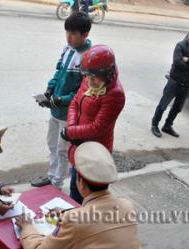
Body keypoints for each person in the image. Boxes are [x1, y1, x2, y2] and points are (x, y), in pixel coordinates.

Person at [16, 142, 140, 249]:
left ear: (81, 182)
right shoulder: (127, 205)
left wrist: (27, 228)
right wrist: (67, 215)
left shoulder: (74, 220)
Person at [31, 12, 92, 190]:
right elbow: (58, 73)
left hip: (69, 114)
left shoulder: (88, 58)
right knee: (52, 144)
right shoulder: (67, 49)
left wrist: (59, 100)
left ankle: (56, 184)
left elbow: (82, 92)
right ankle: (51, 176)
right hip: (55, 110)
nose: (69, 37)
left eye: (73, 33)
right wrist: (50, 90)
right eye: (67, 32)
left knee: (63, 149)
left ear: (85, 34)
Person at [61, 44, 125, 204]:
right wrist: (71, 128)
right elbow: (75, 102)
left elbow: (99, 127)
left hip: (95, 152)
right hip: (79, 144)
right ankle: (74, 222)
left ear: (108, 74)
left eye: (94, 77)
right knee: (75, 187)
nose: (89, 81)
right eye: (87, 76)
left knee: (90, 198)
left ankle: (83, 225)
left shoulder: (115, 94)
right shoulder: (90, 76)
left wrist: (71, 133)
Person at [151, 26, 189, 138]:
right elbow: (177, 62)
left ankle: (167, 126)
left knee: (177, 108)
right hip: (174, 81)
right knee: (163, 105)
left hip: (187, 84)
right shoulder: (180, 45)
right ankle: (154, 125)